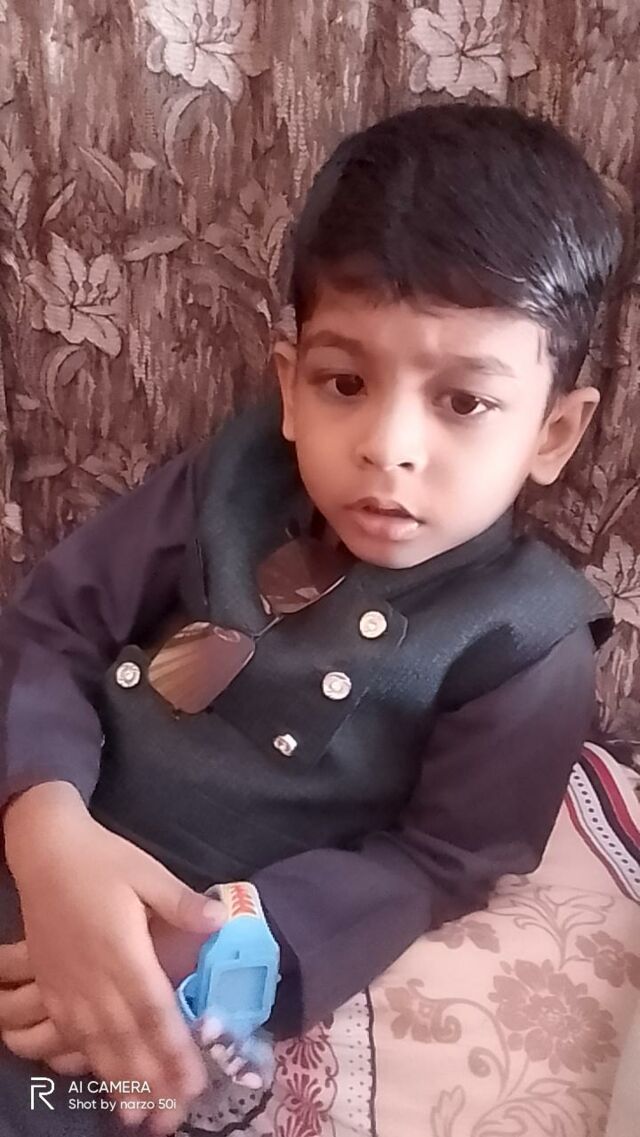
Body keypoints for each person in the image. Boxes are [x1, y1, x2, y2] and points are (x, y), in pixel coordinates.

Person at [0, 102, 623, 1136]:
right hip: (40, 811)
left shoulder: (527, 639)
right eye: (345, 382)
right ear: (291, 386)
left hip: (181, 945)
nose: (388, 445)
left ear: (554, 431)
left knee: (71, 1096)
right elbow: (55, 625)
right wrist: (45, 826)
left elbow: (439, 862)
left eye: (463, 402)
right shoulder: (232, 477)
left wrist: (217, 948)